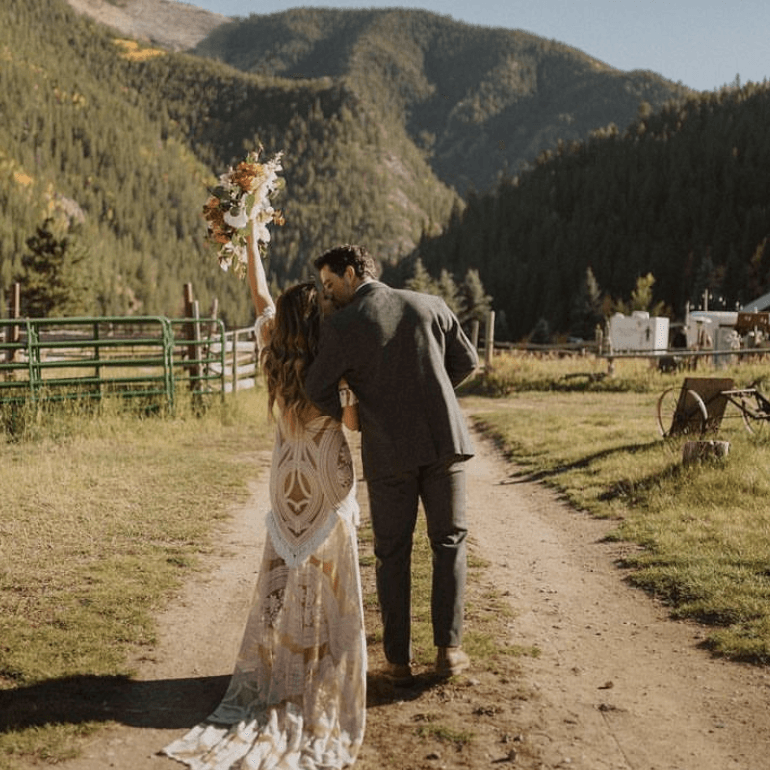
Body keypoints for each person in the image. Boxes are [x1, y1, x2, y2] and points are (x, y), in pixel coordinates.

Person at [162, 226, 366, 769]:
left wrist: (252, 239)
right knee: (332, 572)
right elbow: (352, 420)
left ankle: (281, 666)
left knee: (287, 570)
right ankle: (329, 665)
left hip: (285, 477)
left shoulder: (273, 349)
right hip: (326, 475)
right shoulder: (334, 353)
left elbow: (260, 297)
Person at [305, 244, 478, 687]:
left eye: (329, 284)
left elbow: (315, 385)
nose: (329, 295)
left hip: (389, 450)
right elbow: (466, 362)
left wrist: (355, 408)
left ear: (350, 273)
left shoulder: (343, 326)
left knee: (392, 554)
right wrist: (429, 390)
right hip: (446, 443)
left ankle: (398, 661)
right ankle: (450, 652)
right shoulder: (430, 304)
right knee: (450, 542)